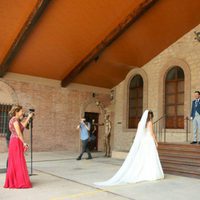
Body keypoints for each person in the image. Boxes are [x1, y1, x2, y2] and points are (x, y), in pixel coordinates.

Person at [95, 110, 164, 186]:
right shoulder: (149, 123)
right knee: (150, 157)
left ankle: (143, 171)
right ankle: (150, 173)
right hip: (149, 141)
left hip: (143, 142)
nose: (151, 118)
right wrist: (156, 141)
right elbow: (151, 133)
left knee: (143, 157)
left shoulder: (140, 123)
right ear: (150, 116)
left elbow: (139, 134)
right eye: (151, 116)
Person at [4, 104, 33, 188]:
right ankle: (18, 182)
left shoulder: (15, 119)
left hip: (15, 141)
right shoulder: (15, 120)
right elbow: (19, 133)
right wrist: (24, 143)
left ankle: (15, 180)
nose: (22, 112)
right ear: (16, 111)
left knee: (16, 161)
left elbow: (23, 126)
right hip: (16, 141)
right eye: (21, 111)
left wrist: (28, 117)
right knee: (18, 161)